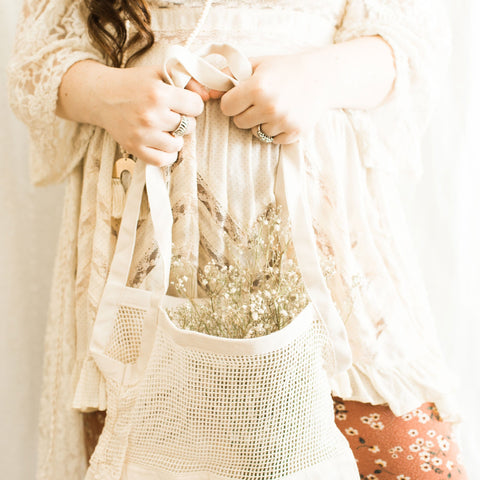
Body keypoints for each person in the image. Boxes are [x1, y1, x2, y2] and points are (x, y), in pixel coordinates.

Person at [7, 0, 468, 479]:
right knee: (152, 459)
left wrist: (318, 77)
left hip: (322, 230)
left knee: (407, 458)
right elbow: (39, 58)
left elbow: (411, 36)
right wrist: (107, 93)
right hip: (147, 243)